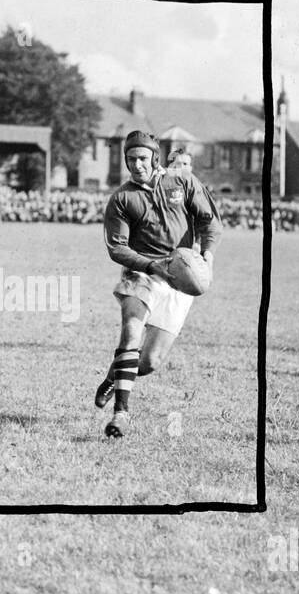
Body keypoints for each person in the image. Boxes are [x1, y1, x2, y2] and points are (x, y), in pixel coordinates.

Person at [94, 130, 222, 438]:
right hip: (142, 272)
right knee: (131, 330)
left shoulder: (182, 182)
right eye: (130, 159)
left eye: (142, 158)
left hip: (180, 274)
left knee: (150, 361)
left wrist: (207, 256)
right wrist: (152, 266)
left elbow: (210, 221)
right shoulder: (122, 198)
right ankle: (121, 414)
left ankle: (114, 376)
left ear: (154, 158)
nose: (136, 165)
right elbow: (117, 248)